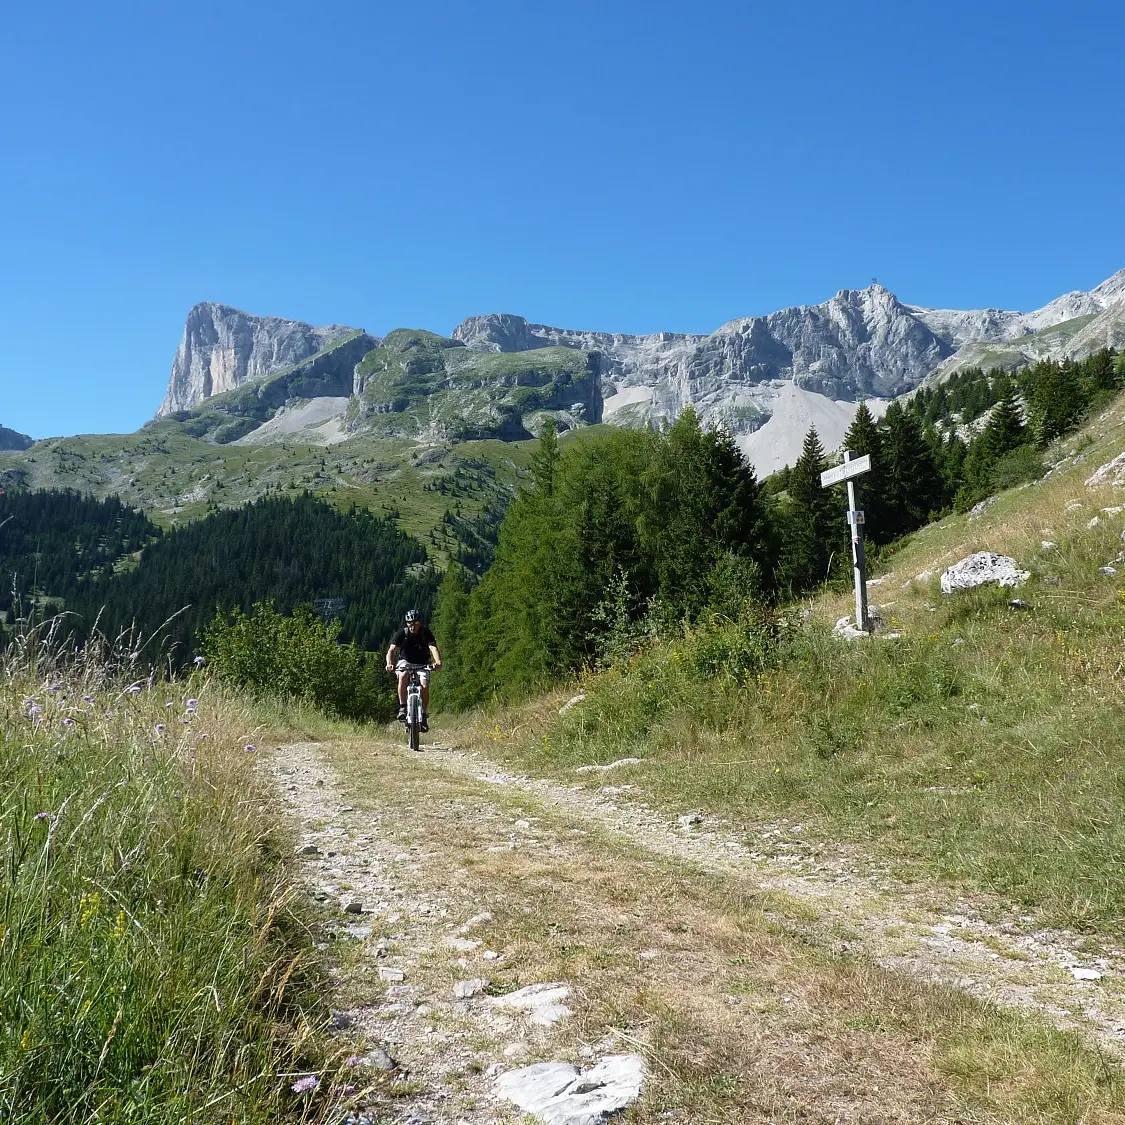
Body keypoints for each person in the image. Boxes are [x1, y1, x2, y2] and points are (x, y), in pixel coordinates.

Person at [385, 608, 442, 731]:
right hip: (405, 661)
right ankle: (403, 707)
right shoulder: (402, 633)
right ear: (407, 623)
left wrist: (437, 662)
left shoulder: (426, 633)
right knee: (403, 675)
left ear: (419, 623)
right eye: (410, 623)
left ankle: (423, 714)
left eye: (415, 623)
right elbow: (392, 650)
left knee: (425, 685)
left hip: (422, 663)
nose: (413, 626)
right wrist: (389, 663)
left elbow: (433, 648)